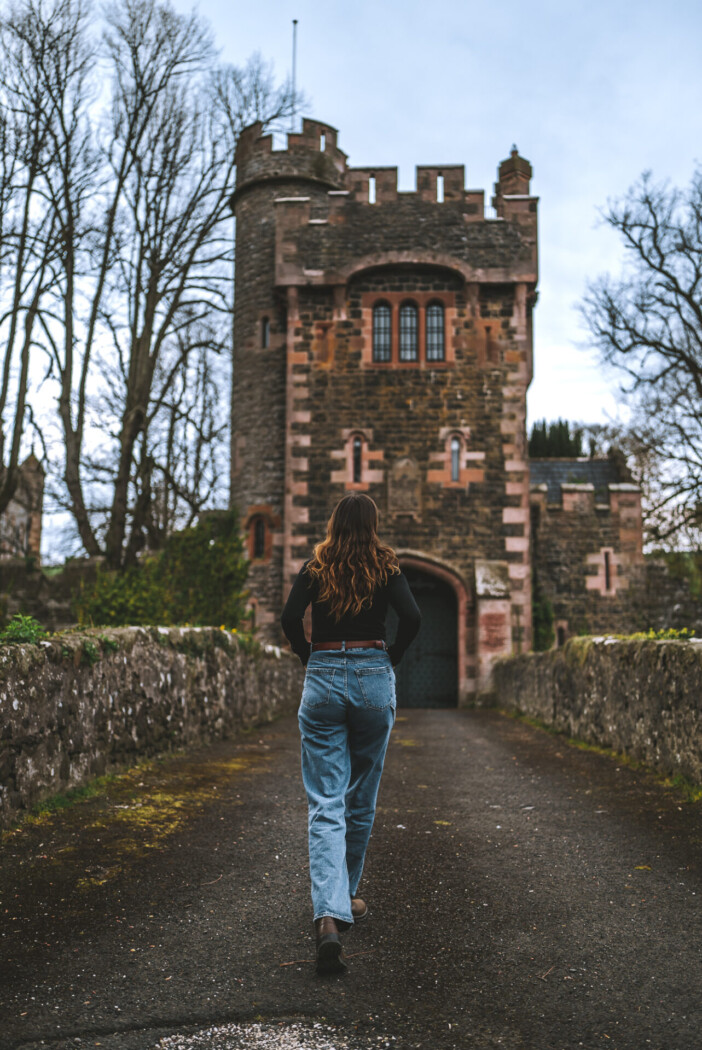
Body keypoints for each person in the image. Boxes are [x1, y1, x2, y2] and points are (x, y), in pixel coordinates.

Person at [281, 492, 421, 975]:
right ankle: (347, 897)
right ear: (373, 524)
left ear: (334, 523)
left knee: (325, 801)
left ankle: (329, 913)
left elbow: (286, 618)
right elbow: (415, 618)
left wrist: (308, 654)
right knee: (360, 795)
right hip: (372, 674)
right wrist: (392, 657)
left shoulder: (316, 564)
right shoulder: (386, 564)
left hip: (322, 676)